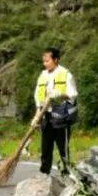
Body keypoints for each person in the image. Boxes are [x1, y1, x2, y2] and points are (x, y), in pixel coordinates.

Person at [34, 47, 78, 175]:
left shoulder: (66, 74)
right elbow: (38, 95)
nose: (45, 64)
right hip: (46, 115)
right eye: (44, 61)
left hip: (61, 116)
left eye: (47, 61)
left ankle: (68, 172)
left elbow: (73, 95)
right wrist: (37, 114)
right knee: (45, 147)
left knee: (62, 147)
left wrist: (60, 94)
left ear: (56, 59)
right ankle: (44, 173)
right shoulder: (42, 75)